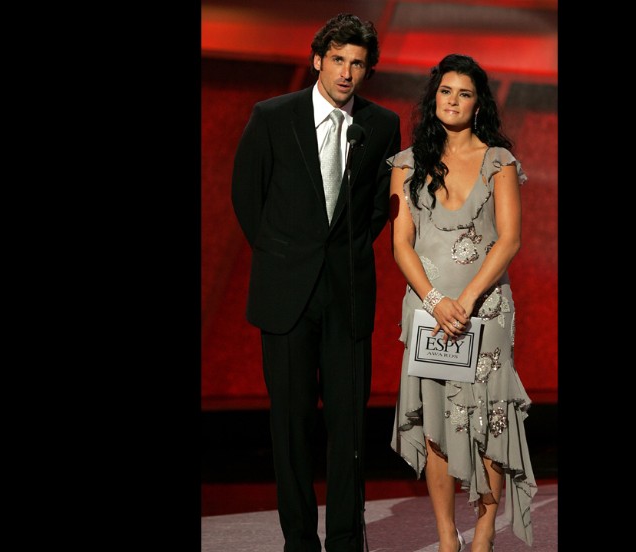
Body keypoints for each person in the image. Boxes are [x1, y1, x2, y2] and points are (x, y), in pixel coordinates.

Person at [231, 12, 401, 552]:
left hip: (347, 292)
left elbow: (379, 206)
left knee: (348, 430)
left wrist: (339, 254)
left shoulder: (381, 125)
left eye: (358, 63)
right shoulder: (272, 116)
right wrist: (287, 255)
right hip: (285, 296)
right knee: (291, 427)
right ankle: (299, 541)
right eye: (339, 60)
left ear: (367, 69)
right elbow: (247, 196)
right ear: (317, 60)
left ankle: (348, 540)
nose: (348, 72)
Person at [387, 54, 537, 551]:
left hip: (485, 311)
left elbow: (509, 239)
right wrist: (434, 300)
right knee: (435, 425)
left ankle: (485, 535)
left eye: (464, 93)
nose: (453, 100)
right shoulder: (408, 162)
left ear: (479, 104)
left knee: (489, 418)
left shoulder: (500, 161)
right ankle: (448, 537)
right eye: (445, 91)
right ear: (434, 98)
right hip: (428, 313)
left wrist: (467, 301)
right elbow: (400, 243)